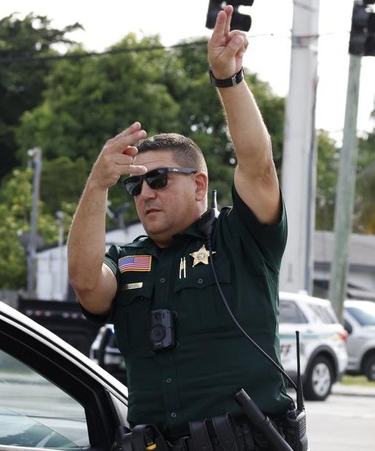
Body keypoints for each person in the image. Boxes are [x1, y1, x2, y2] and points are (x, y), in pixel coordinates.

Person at [67, 5, 296, 447]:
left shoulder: (242, 238)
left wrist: (227, 78)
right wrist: (98, 184)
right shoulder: (127, 260)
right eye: (135, 186)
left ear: (198, 185)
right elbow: (84, 281)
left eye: (157, 179)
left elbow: (258, 165)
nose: (145, 193)